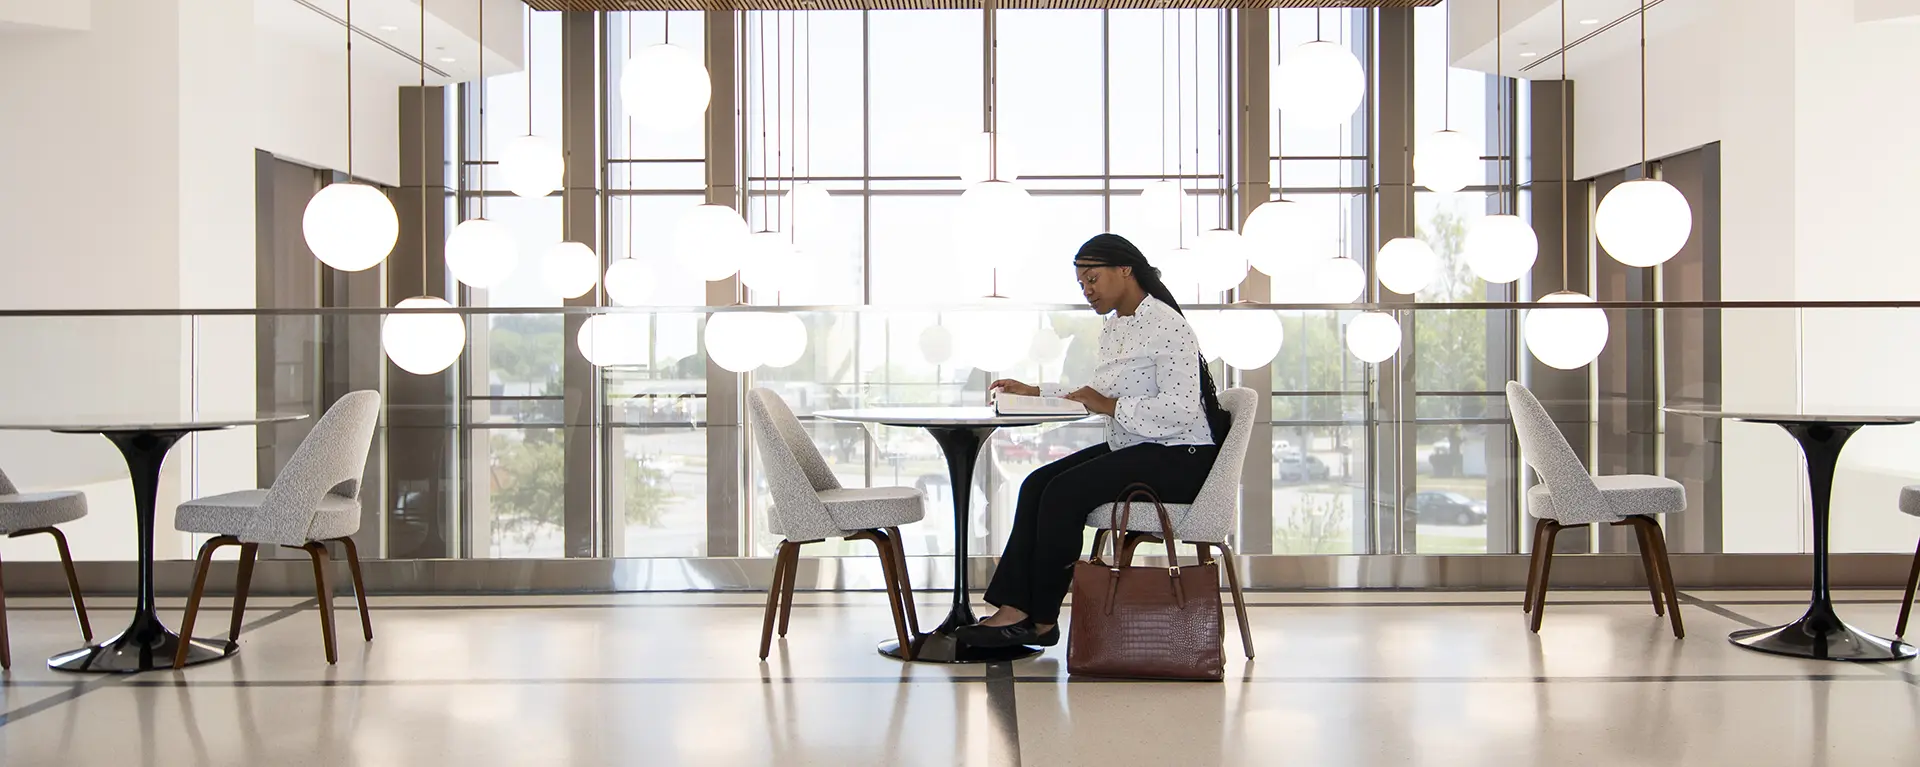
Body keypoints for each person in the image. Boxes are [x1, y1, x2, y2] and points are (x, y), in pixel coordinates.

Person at [954, 233, 1229, 649]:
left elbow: (1182, 411)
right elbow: (1094, 396)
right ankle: (1015, 608)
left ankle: (1040, 618)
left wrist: (1110, 405)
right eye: (1081, 282)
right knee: (1036, 485)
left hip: (1182, 457)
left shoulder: (1169, 325)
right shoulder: (1114, 328)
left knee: (1064, 492)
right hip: (1138, 447)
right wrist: (1037, 392)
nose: (1087, 290)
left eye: (1093, 278)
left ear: (1125, 270)